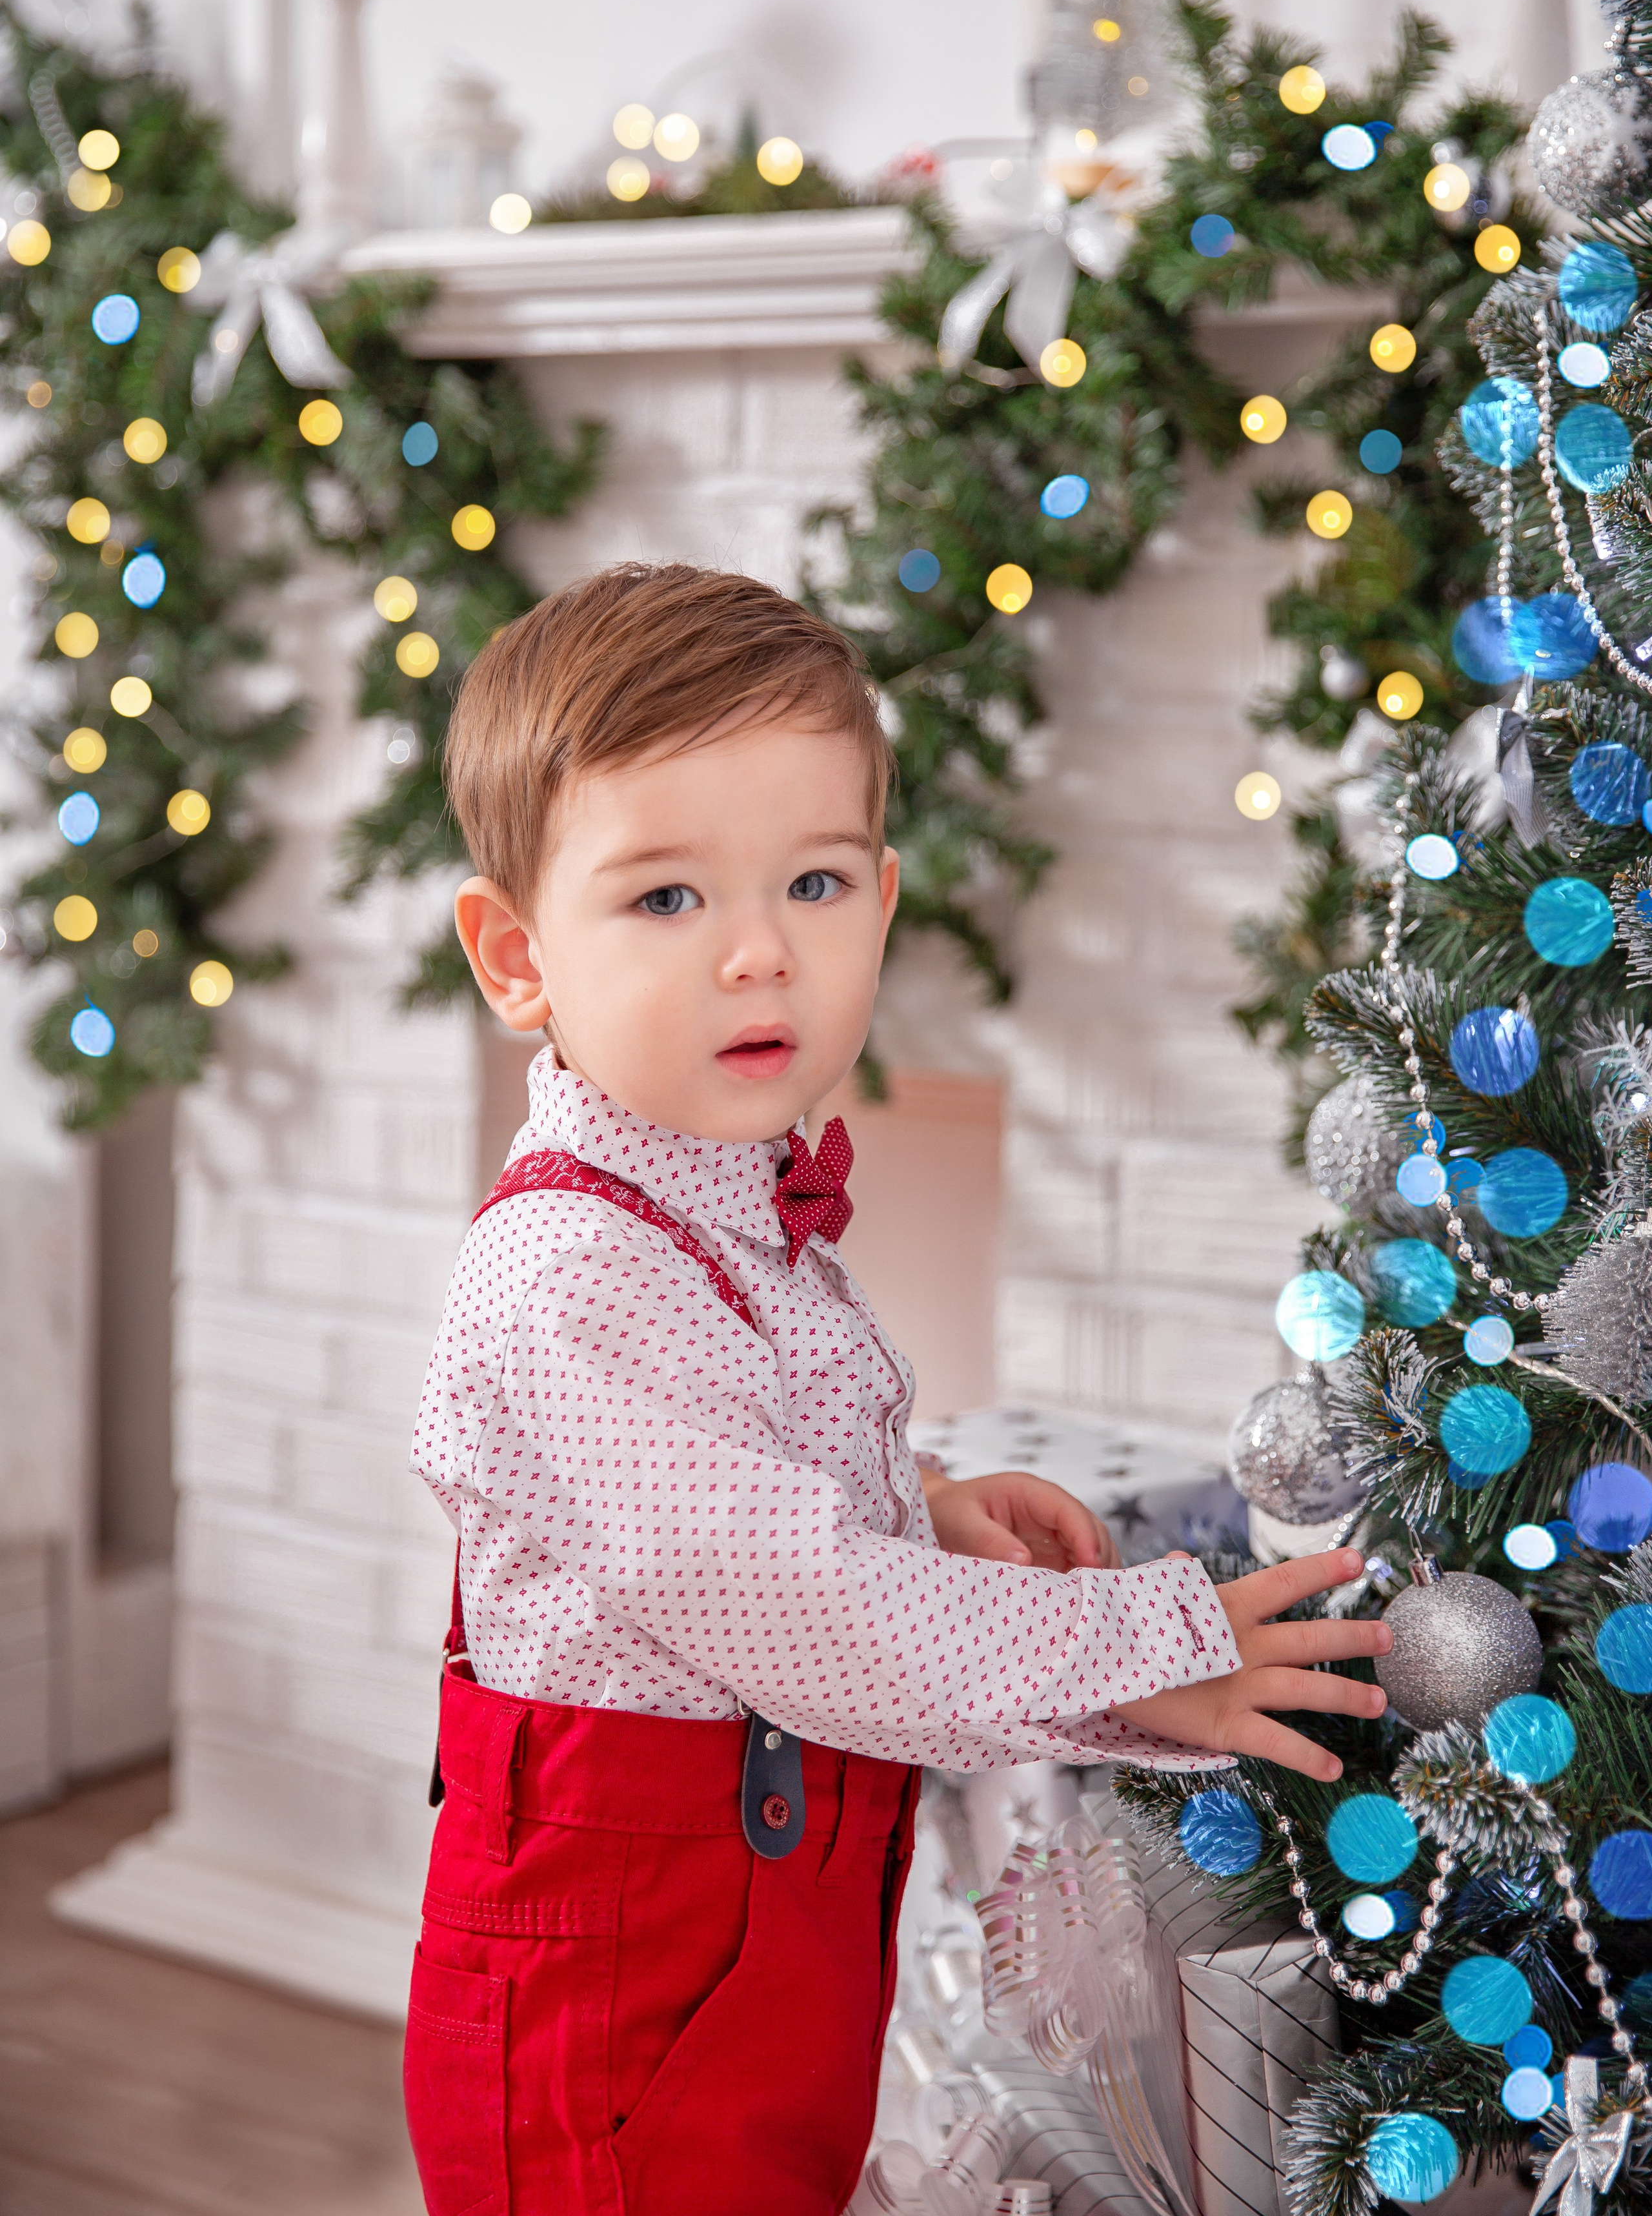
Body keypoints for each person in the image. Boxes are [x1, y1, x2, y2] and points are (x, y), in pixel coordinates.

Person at [403, 562, 1392, 2216]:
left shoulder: (731, 1203)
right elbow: (812, 1617)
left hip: (764, 1963)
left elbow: (731, 1512)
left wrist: (915, 1500)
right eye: (664, 898)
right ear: (516, 954)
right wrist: (1162, 1650)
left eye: (811, 881)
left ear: (878, 901)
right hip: (613, 2018)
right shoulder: (559, 1283)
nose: (755, 957)